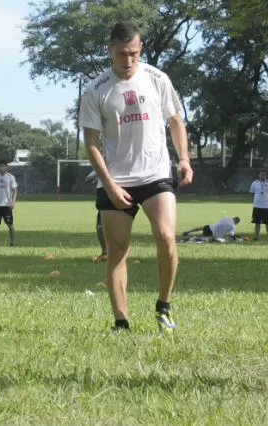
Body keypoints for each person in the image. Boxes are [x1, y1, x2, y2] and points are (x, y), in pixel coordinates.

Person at [78, 20, 193, 333]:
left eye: (134, 53)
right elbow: (91, 144)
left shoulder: (157, 79)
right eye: (122, 54)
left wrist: (183, 158)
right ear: (110, 51)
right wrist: (111, 185)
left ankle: (164, 306)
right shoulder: (96, 90)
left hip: (156, 172)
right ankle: (121, 321)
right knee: (117, 250)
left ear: (140, 49)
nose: (128, 60)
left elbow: (176, 121)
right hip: (116, 179)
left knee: (167, 237)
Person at [0, 161, 18, 246]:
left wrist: (13, 202)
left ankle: (12, 242)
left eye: (2, 166)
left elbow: (15, 191)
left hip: (6, 205)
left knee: (10, 224)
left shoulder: (10, 177)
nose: (1, 168)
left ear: (6, 167)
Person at [86, 170, 108, 261]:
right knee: (100, 227)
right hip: (104, 196)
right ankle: (105, 252)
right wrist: (99, 174)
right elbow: (87, 179)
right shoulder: (102, 164)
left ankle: (116, 253)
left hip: (119, 194)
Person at [249, 170, 268, 240]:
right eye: (261, 174)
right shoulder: (254, 183)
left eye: (264, 174)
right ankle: (256, 237)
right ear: (259, 175)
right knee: (257, 223)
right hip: (257, 206)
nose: (262, 175)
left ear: (266, 175)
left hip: (266, 206)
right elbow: (252, 193)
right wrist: (257, 199)